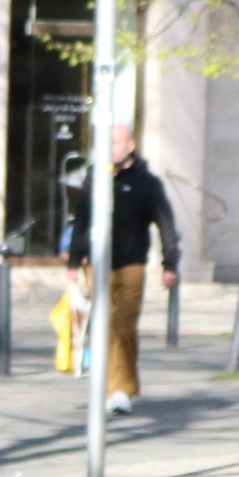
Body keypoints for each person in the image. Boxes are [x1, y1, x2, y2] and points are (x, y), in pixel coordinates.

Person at [62, 122, 179, 412]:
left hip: (131, 264)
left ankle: (123, 390)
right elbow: (81, 220)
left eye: (116, 143)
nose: (110, 149)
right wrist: (75, 261)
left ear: (130, 146)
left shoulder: (147, 183)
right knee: (102, 326)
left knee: (124, 326)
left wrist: (170, 263)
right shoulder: (95, 178)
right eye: (106, 144)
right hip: (97, 263)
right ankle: (106, 388)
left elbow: (165, 222)